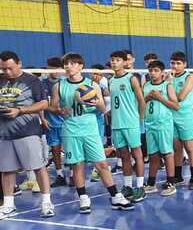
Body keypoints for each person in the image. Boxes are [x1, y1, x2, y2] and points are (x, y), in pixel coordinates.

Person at [51, 53, 131, 213]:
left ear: (81, 66)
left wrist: (94, 102)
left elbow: (102, 109)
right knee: (77, 165)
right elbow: (52, 107)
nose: (68, 67)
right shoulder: (59, 86)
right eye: (66, 64)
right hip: (71, 131)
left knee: (101, 164)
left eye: (72, 63)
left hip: (90, 130)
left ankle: (115, 196)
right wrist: (60, 110)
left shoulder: (92, 85)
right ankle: (83, 198)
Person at [0, 51, 53, 218]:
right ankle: (9, 205)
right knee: (7, 170)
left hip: (28, 132)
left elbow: (43, 103)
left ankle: (46, 202)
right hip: (4, 133)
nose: (7, 72)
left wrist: (20, 110)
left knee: (38, 167)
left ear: (19, 64)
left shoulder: (32, 80)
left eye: (10, 68)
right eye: (3, 69)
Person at [109, 50, 146, 202]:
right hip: (117, 124)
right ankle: (128, 186)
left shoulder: (131, 78)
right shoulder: (111, 80)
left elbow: (141, 100)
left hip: (131, 123)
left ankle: (140, 187)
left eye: (117, 60)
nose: (114, 62)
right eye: (112, 60)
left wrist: (140, 119)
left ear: (124, 62)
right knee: (123, 155)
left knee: (137, 154)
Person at [142, 60, 178, 196]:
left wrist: (159, 98)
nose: (153, 73)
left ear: (162, 72)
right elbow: (141, 104)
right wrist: (146, 98)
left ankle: (171, 183)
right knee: (153, 155)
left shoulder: (167, 86)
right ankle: (151, 183)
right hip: (150, 125)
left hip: (163, 125)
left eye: (156, 70)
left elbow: (176, 106)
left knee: (167, 153)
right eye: (150, 71)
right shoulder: (146, 85)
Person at [169, 51, 193, 190]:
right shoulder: (168, 77)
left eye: (178, 63)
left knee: (189, 147)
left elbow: (180, 97)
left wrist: (168, 84)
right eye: (173, 63)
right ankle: (178, 176)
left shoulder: (190, 76)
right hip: (171, 116)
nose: (175, 66)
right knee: (176, 148)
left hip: (185, 117)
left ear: (184, 64)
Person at [42, 57, 68, 187]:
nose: (55, 72)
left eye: (57, 69)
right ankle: (60, 175)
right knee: (55, 149)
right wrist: (43, 119)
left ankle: (73, 175)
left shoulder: (66, 83)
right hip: (51, 122)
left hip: (66, 122)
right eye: (52, 69)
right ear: (47, 68)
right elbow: (40, 103)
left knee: (70, 149)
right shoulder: (42, 84)